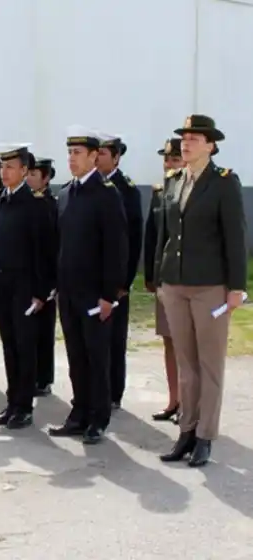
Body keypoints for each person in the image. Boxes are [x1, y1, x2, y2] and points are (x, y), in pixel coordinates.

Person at [157, 115, 247, 467]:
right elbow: (165, 237)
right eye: (184, 137)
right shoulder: (173, 181)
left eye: (195, 138)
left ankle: (206, 435)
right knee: (186, 363)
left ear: (211, 145)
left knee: (209, 364)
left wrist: (236, 287)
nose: (186, 143)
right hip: (176, 284)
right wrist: (161, 280)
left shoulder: (224, 183)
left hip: (210, 285)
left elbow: (235, 238)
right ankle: (186, 432)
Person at [48, 126, 127, 445]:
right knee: (76, 357)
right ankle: (78, 413)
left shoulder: (107, 194)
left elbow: (117, 248)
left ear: (95, 156)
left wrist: (109, 295)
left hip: (95, 295)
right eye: (69, 153)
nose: (72, 159)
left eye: (78, 153)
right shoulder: (66, 193)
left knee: (97, 358)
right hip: (68, 292)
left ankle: (98, 417)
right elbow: (60, 243)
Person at [0, 144, 54, 428]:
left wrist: (41, 293)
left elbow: (45, 252)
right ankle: (12, 401)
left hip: (25, 286)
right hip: (0, 284)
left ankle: (24, 406)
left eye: (11, 167)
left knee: (24, 346)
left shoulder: (36, 205)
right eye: (2, 167)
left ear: (25, 171)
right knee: (9, 346)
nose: (4, 172)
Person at [97, 133, 143, 409]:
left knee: (114, 338)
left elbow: (133, 238)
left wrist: (124, 281)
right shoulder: (90, 187)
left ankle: (114, 393)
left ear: (116, 157)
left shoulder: (126, 190)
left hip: (115, 280)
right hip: (91, 277)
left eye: (103, 153)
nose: (98, 157)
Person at [144, 138, 183, 422]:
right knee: (170, 341)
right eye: (166, 160)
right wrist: (150, 276)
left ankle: (192, 405)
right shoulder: (160, 193)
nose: (169, 165)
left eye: (175, 159)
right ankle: (174, 400)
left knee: (189, 345)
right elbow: (151, 237)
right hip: (165, 280)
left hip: (190, 281)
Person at [26, 156, 59, 396]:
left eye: (34, 175)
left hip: (45, 276)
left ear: (46, 179)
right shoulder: (25, 202)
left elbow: (51, 246)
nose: (29, 179)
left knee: (44, 329)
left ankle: (44, 377)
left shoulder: (49, 204)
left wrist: (49, 281)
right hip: (27, 276)